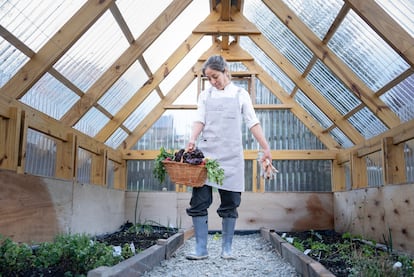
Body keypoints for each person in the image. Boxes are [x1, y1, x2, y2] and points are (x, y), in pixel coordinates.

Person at [185, 55, 272, 260]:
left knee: (231, 202)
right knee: (199, 201)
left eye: (215, 76)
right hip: (206, 157)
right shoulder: (205, 96)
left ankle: (227, 249)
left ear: (225, 70)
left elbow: (253, 122)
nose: (213, 82)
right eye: (209, 79)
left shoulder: (240, 95)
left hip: (232, 157)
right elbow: (199, 119)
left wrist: (266, 147)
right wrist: (192, 139)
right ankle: (201, 249)